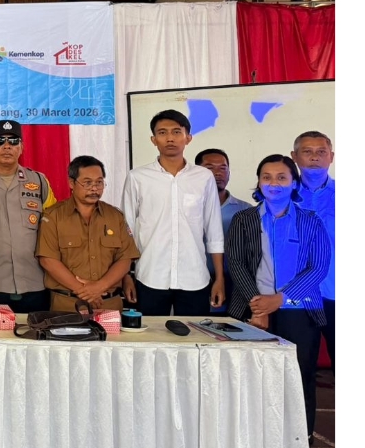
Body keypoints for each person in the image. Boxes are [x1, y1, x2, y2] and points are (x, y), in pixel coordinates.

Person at [225, 155, 330, 440]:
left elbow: (318, 268)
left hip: (299, 312)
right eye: (267, 177)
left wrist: (280, 300)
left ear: (294, 183)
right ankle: (254, 443)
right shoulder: (243, 219)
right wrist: (259, 306)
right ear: (259, 183)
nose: (274, 183)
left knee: (299, 379)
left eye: (282, 177)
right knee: (251, 379)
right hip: (252, 311)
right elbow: (236, 263)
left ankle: (300, 444)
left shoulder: (311, 221)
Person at [121, 109, 224, 316]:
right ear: (153, 140)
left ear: (188, 138)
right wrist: (125, 276)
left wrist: (219, 278)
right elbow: (126, 229)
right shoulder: (137, 177)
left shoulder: (203, 177)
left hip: (194, 276)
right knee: (150, 334)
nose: (170, 138)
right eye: (162, 132)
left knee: (195, 334)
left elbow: (214, 230)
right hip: (150, 275)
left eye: (177, 132)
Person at [0, 119, 56, 312]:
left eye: (13, 141)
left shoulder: (39, 181)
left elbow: (54, 230)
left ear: (22, 147)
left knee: (34, 331)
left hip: (35, 283)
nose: (7, 146)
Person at [36, 156, 139, 312]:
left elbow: (125, 258)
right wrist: (84, 291)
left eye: (99, 182)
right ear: (71, 183)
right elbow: (48, 260)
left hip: (108, 304)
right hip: (67, 305)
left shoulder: (115, 216)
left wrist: (99, 287)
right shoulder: (53, 216)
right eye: (87, 183)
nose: (94, 188)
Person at [292, 130, 335, 367]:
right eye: (307, 151)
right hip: (295, 294)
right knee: (300, 366)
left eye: (321, 152)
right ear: (294, 156)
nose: (315, 157)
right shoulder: (281, 196)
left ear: (332, 157)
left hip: (336, 291)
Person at [194, 147, 251, 312]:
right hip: (195, 282)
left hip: (236, 284)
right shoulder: (188, 208)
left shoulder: (245, 210)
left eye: (223, 168)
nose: (217, 173)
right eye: (210, 168)